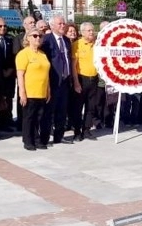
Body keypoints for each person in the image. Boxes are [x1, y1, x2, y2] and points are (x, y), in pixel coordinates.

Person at [40, 15, 75, 143]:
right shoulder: (46, 40)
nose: (62, 26)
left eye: (63, 23)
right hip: (52, 81)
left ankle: (59, 137)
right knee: (48, 111)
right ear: (52, 25)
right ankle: (44, 138)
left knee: (62, 111)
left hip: (65, 81)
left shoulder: (66, 40)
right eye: (59, 23)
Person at [16, 28, 52, 150]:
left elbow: (46, 73)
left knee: (39, 118)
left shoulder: (42, 54)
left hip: (42, 91)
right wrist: (22, 92)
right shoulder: (23, 54)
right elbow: (20, 74)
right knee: (29, 118)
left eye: (40, 36)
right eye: (35, 36)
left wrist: (48, 89)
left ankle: (37, 140)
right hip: (30, 92)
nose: (38, 38)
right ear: (28, 38)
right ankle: (28, 141)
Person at [70, 22, 100, 141]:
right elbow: (73, 65)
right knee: (78, 107)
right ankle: (77, 132)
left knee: (91, 107)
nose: (91, 32)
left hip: (94, 79)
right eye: (89, 30)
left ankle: (86, 130)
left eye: (92, 30)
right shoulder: (77, 45)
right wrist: (76, 83)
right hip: (81, 79)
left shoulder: (97, 45)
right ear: (82, 32)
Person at [0, 16, 16, 131]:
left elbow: (12, 57)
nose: (3, 28)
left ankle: (5, 122)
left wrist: (10, 71)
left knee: (8, 100)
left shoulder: (9, 39)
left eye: (4, 26)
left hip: (9, 75)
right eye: (0, 26)